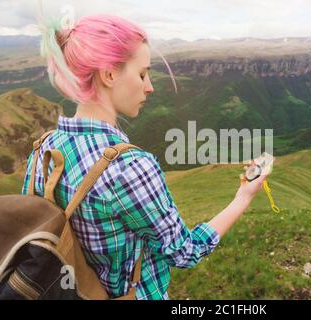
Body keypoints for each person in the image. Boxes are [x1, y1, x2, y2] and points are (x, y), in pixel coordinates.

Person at [21, 13, 267, 300]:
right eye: (141, 74)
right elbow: (185, 252)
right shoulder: (130, 167)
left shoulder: (43, 151)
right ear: (109, 74)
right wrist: (243, 197)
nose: (149, 86)